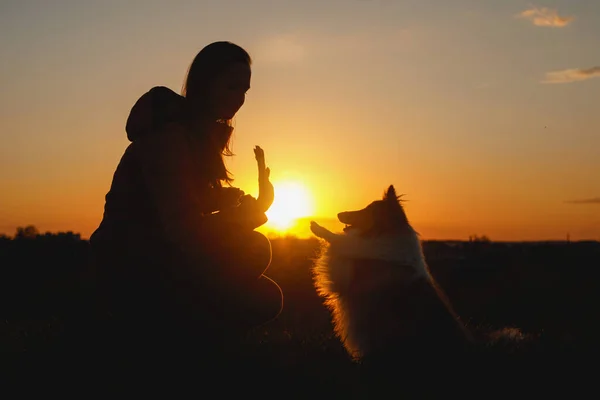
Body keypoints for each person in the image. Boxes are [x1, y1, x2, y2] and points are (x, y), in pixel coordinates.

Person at [89, 41, 282, 353]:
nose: (240, 99)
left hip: (157, 259)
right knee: (254, 252)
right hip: (129, 268)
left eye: (245, 90)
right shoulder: (169, 139)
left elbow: (195, 204)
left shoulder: (197, 138)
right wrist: (241, 216)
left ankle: (185, 334)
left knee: (266, 292)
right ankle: (163, 334)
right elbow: (182, 229)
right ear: (205, 84)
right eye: (232, 87)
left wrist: (244, 203)